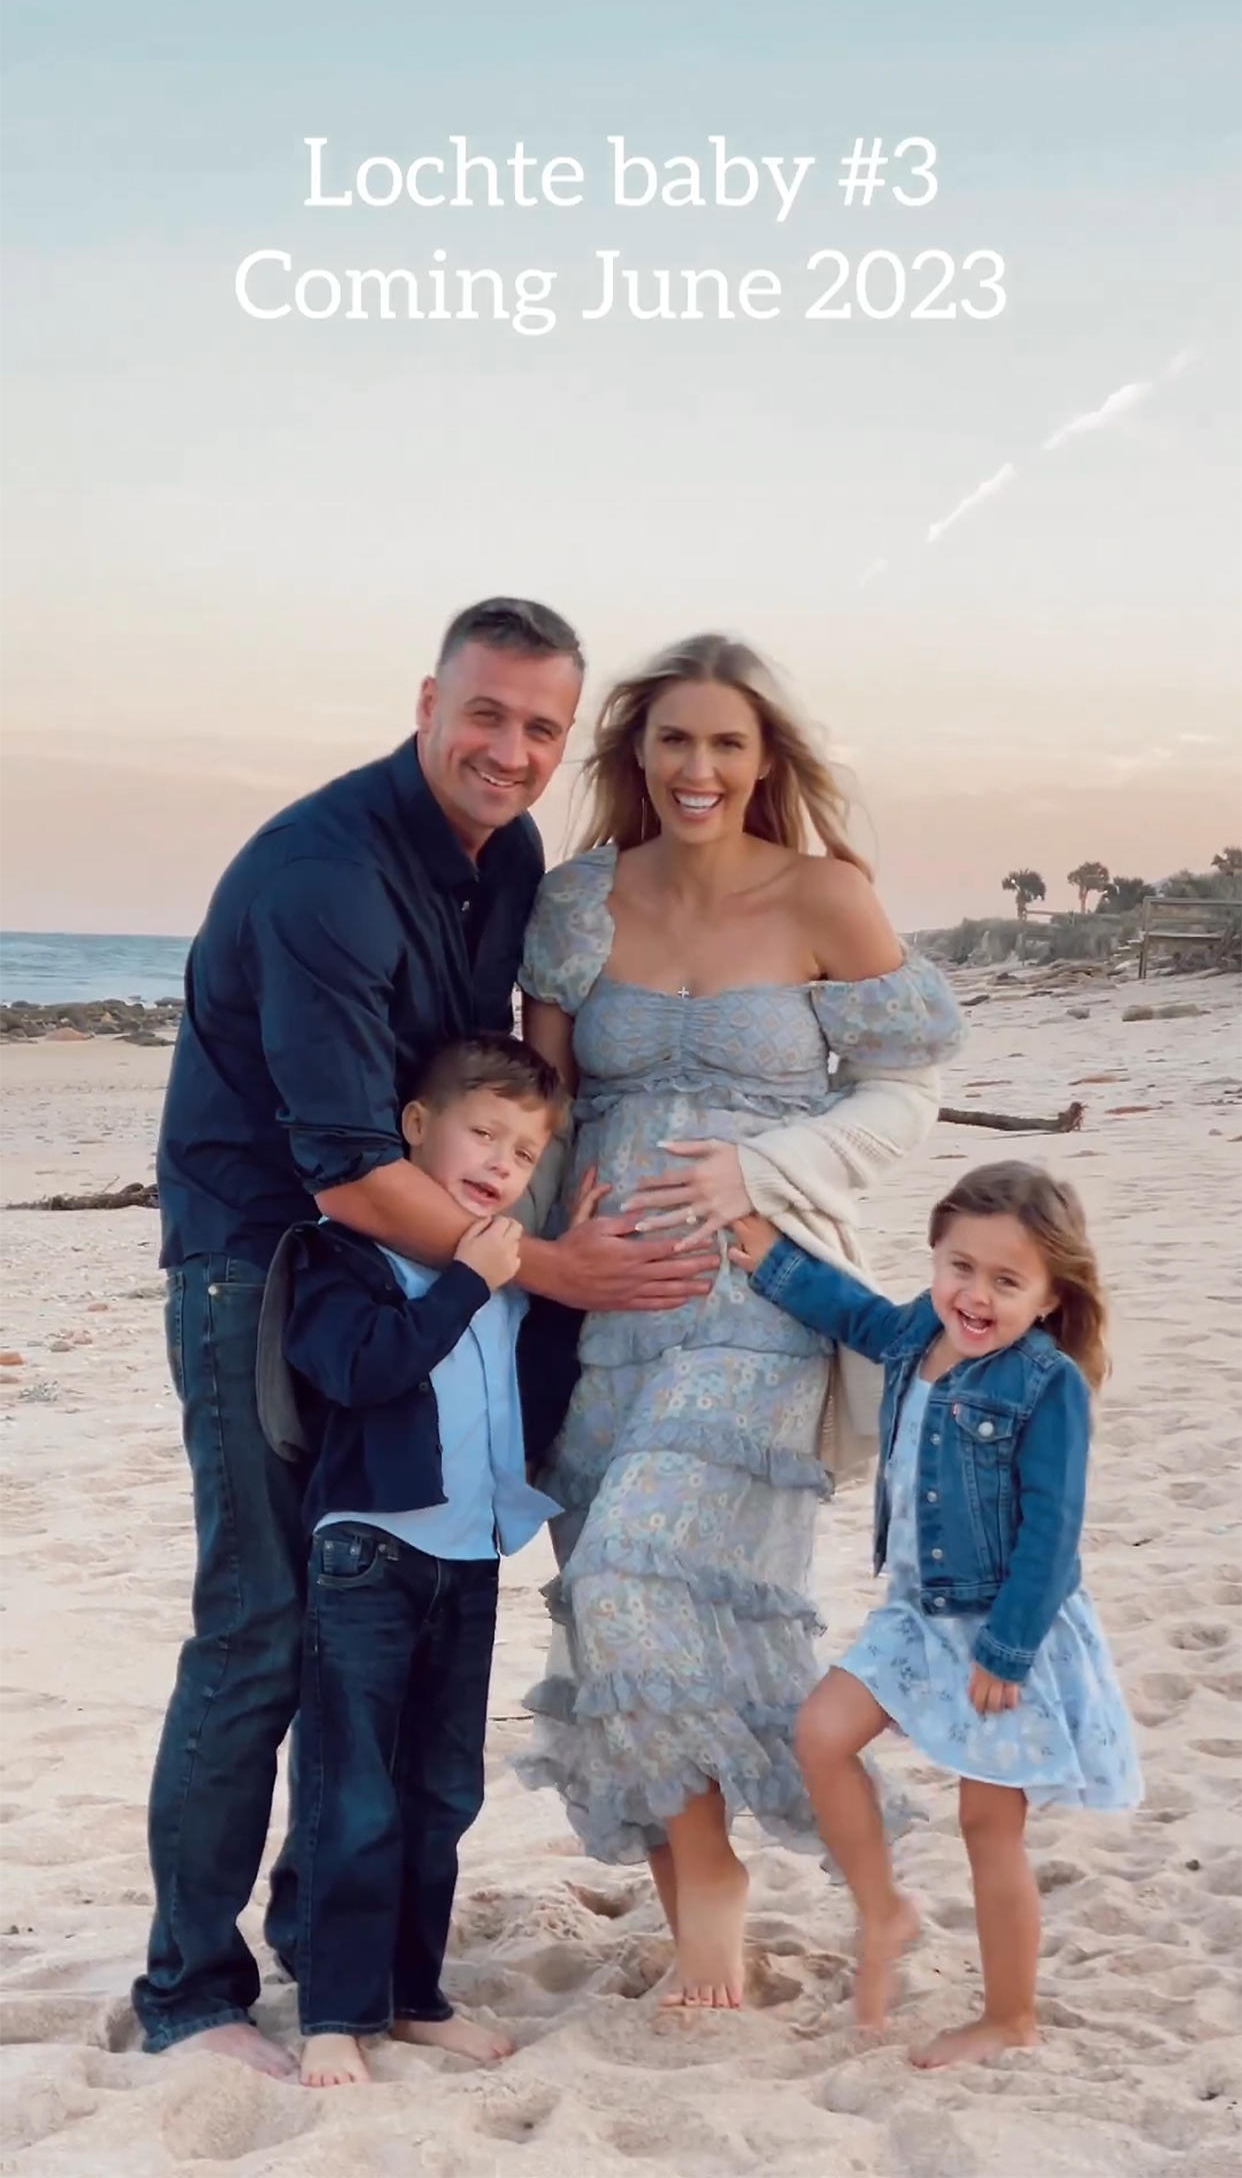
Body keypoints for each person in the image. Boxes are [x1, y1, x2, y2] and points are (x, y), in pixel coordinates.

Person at [134, 598, 718, 2073]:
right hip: (263, 1272)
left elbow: (489, 1082)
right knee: (260, 1630)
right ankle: (189, 1994)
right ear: (426, 702)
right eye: (486, 714)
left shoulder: (507, 855)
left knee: (360, 1625)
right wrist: (547, 1269)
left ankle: (333, 1954)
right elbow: (341, 1163)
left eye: (539, 726)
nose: (510, 751)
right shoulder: (324, 872)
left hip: (410, 1274)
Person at [517, 633, 963, 2011]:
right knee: (621, 1603)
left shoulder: (825, 895)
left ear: (763, 760)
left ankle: (727, 1877)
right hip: (604, 1305)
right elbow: (542, 1106)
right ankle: (700, 1897)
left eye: (724, 744)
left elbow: (905, 1092)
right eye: (671, 742)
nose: (696, 768)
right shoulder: (578, 900)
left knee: (639, 1571)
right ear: (633, 756)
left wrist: (757, 1170)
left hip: (760, 1293)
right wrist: (526, 1265)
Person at [732, 1160, 1142, 2067]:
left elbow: (1054, 1533)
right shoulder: (922, 1329)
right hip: (916, 1614)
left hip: (1002, 1626)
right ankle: (885, 1907)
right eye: (960, 1267)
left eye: (1007, 1281)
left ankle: (1010, 2015)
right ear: (935, 1257)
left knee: (989, 1828)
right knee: (822, 1733)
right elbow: (860, 1317)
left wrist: (1007, 1648)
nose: (976, 1296)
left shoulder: (1047, 1385)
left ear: (1048, 1295)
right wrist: (771, 1261)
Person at [272, 1036, 582, 2088]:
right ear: (415, 1128)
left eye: (524, 1153)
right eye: (482, 1132)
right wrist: (463, 1280)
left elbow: (538, 1387)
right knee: (351, 1789)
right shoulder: (339, 1256)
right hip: (370, 1550)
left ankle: (411, 1997)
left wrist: (566, 1273)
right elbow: (362, 1370)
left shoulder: (506, 1273)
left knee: (442, 1792)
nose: (501, 1162)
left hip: (472, 1555)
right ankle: (332, 2012)